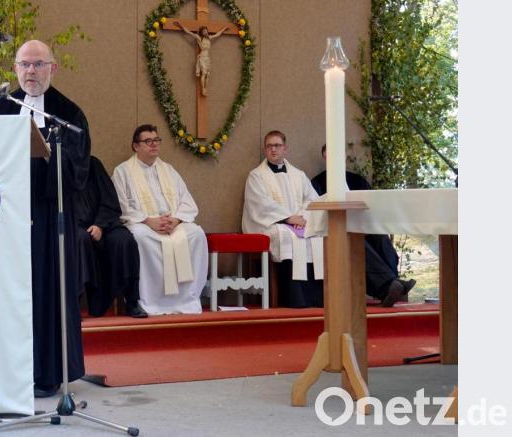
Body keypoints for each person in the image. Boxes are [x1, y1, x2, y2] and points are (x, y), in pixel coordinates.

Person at [0, 40, 90, 398]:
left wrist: (48, 151)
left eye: (38, 65)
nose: (30, 72)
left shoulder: (69, 114)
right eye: (24, 65)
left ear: (52, 69)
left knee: (46, 292)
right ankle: (4, 371)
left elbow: (79, 170)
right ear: (15, 69)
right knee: (9, 294)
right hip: (6, 221)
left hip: (48, 219)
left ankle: (47, 374)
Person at [112, 124, 209, 315]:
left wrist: (176, 220)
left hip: (171, 224)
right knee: (140, 237)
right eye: (147, 141)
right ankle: (151, 301)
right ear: (135, 146)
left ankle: (186, 300)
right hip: (144, 224)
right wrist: (149, 221)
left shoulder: (169, 170)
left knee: (196, 234)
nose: (154, 145)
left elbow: (187, 202)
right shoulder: (122, 171)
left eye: (156, 140)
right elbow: (121, 206)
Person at [310, 144, 415, 306]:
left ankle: (395, 284)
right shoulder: (317, 182)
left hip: (362, 223)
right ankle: (389, 287)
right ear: (324, 157)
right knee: (358, 243)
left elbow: (370, 204)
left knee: (380, 237)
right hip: (337, 228)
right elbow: (317, 211)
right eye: (329, 155)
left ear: (343, 156)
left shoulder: (357, 180)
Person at [241, 130, 324, 308]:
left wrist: (302, 217)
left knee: (316, 235)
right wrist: (288, 218)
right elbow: (260, 205)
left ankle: (314, 298)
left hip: (300, 222)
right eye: (269, 146)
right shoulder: (256, 176)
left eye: (277, 145)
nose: (273, 150)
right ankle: (294, 298)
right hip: (272, 224)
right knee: (285, 236)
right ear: (265, 150)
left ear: (285, 148)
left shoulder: (298, 174)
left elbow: (312, 199)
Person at [75, 156, 147, 318]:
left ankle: (132, 301)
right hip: (75, 227)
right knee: (79, 239)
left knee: (124, 239)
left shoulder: (93, 164)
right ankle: (74, 304)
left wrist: (100, 224)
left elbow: (109, 200)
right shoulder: (59, 166)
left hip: (103, 225)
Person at [173, 22, 228, 96]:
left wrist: (224, 29)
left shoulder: (209, 38)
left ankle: (206, 88)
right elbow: (189, 32)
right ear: (201, 33)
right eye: (204, 31)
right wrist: (180, 25)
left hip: (207, 58)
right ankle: (203, 89)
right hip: (202, 57)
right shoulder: (199, 38)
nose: (205, 32)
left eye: (206, 30)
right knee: (204, 73)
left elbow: (217, 34)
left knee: (208, 75)